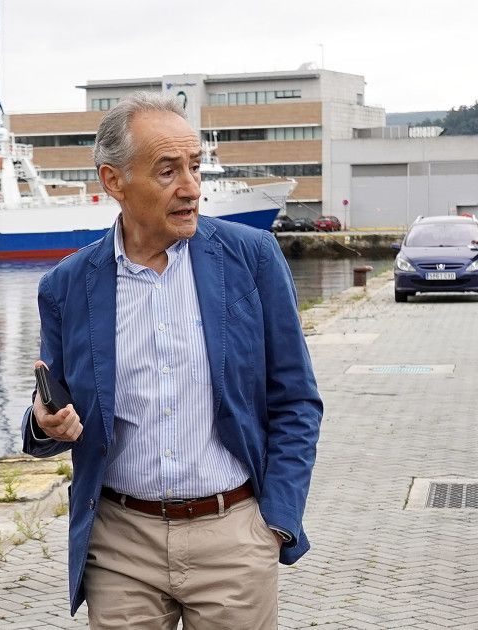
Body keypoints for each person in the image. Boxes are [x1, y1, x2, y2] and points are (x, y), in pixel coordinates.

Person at [22, 91, 322, 629]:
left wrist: (276, 520)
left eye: (194, 167)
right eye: (167, 171)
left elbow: (296, 399)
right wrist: (45, 424)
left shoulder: (251, 259)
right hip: (120, 545)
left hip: (232, 534)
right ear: (114, 182)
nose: (190, 188)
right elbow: (50, 407)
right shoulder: (65, 286)